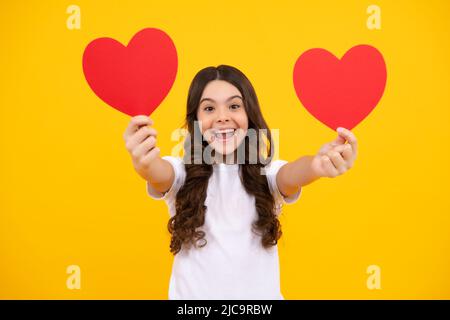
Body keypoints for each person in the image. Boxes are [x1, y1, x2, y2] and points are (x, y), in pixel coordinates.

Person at [123, 65, 358, 299]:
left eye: (234, 106)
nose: (222, 116)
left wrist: (317, 165)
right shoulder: (183, 173)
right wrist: (144, 163)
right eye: (209, 108)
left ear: (249, 115)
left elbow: (293, 173)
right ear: (196, 120)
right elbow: (158, 172)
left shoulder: (267, 174)